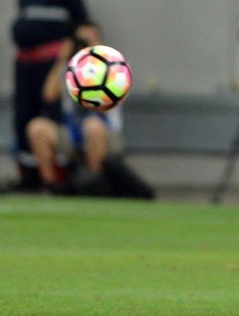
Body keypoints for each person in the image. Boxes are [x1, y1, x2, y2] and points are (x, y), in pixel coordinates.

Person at [26, 28, 155, 199]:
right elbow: (49, 95)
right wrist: (62, 59)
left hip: (105, 134)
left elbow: (116, 96)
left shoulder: (113, 68)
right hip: (73, 133)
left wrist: (96, 54)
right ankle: (52, 187)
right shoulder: (70, 70)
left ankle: (93, 185)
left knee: (92, 126)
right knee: (37, 128)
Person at [11, 0, 95, 189]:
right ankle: (28, 172)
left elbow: (83, 24)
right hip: (26, 63)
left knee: (51, 113)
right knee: (24, 115)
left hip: (52, 62)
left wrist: (74, 52)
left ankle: (59, 175)